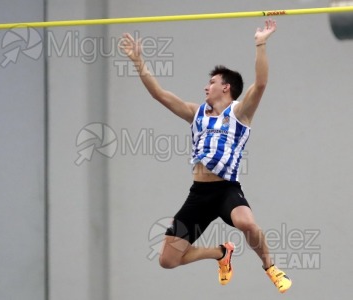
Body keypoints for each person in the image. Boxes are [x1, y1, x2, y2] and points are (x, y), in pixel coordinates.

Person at [119, 19, 292, 293]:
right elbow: (160, 95)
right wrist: (139, 61)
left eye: (211, 82)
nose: (205, 87)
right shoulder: (195, 113)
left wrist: (260, 43)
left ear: (226, 88)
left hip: (226, 191)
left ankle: (270, 266)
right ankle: (220, 253)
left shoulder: (240, 113)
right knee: (167, 260)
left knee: (247, 222)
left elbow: (260, 84)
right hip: (199, 195)